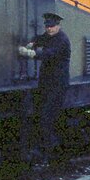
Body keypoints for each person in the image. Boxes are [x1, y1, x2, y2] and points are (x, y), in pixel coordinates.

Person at [17, 12, 71, 163]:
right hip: (46, 83)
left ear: (58, 26)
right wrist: (32, 43)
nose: (49, 29)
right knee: (40, 114)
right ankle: (43, 150)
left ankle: (50, 153)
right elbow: (40, 39)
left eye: (52, 26)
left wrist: (30, 53)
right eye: (47, 26)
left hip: (57, 84)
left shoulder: (62, 40)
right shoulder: (49, 36)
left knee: (47, 117)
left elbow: (49, 54)